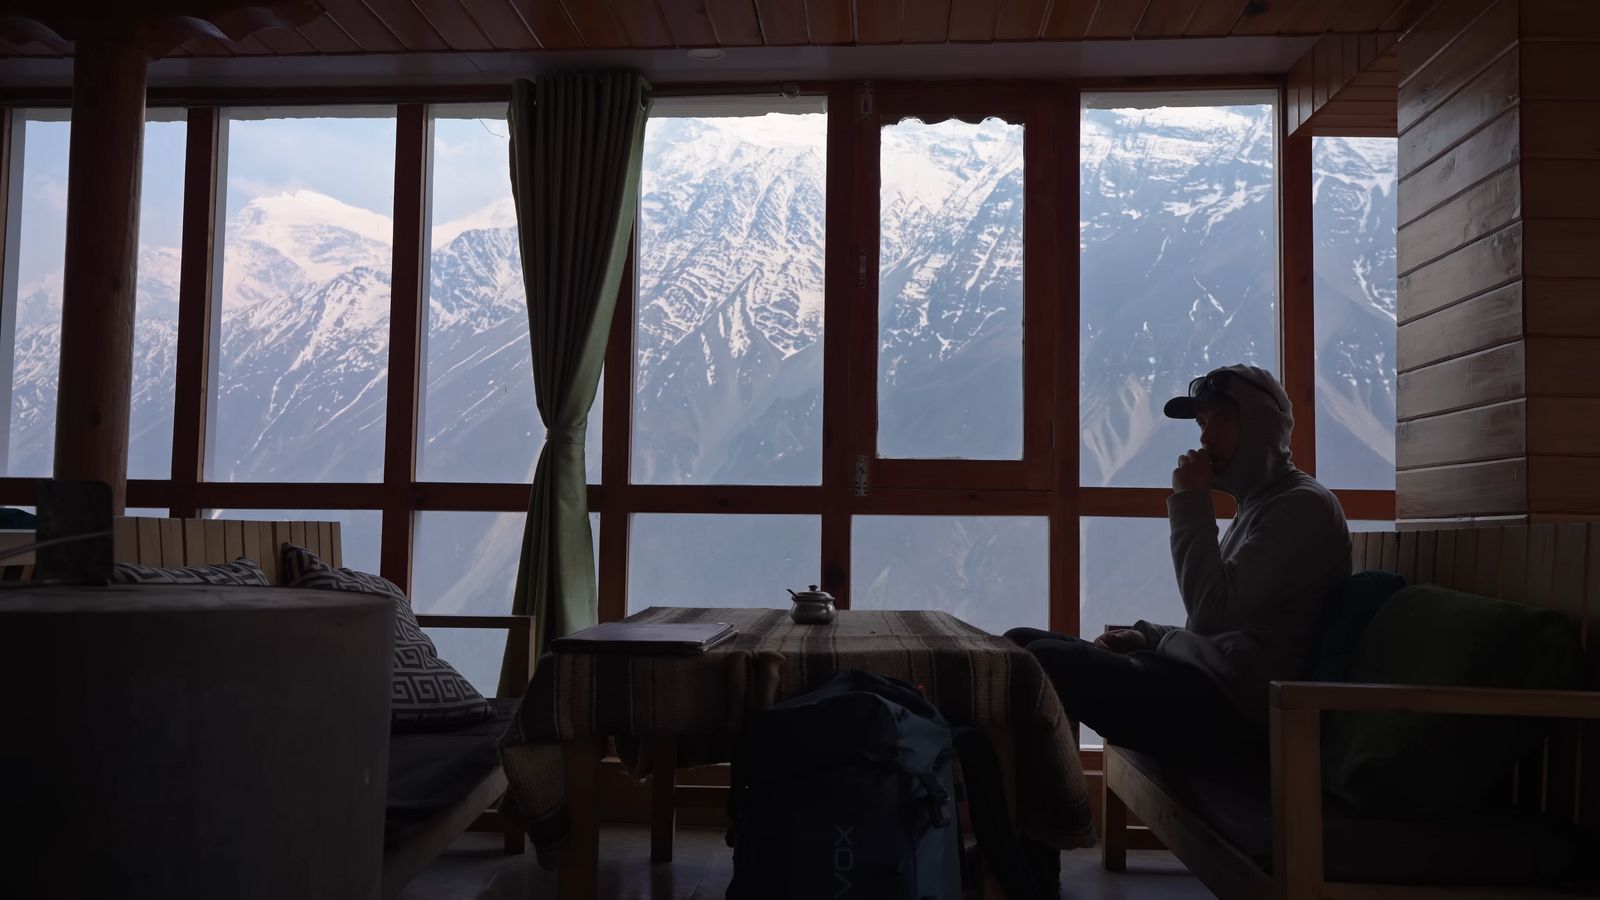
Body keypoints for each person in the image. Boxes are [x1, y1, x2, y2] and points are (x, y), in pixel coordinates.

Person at [1007, 364, 1351, 762]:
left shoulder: (1301, 506)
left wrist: (1191, 500)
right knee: (1021, 642)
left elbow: (1211, 613)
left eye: (1221, 419)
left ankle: (1043, 817)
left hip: (1239, 714)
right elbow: (1226, 624)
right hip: (1209, 687)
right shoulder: (1262, 504)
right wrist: (1151, 636)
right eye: (1202, 423)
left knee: (1043, 660)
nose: (1205, 437)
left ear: (1261, 426)